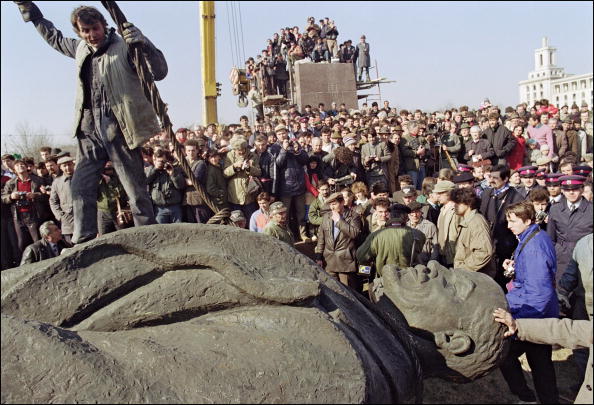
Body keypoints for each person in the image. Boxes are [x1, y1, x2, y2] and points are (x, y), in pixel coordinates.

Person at [14, 2, 168, 244]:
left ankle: (147, 235)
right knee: (80, 186)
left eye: (94, 28)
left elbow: (159, 72)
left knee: (134, 188)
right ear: (79, 32)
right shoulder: (80, 49)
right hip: (88, 127)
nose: (91, 35)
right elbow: (53, 37)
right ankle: (83, 239)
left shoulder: (125, 46)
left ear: (103, 26)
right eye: (85, 31)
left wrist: (145, 44)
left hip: (119, 125)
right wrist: (30, 12)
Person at [499, 201, 559, 404]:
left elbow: (538, 294)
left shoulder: (534, 247)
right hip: (537, 314)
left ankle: (527, 397)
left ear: (527, 220)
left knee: (506, 356)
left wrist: (517, 321)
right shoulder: (532, 236)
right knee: (541, 365)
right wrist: (513, 265)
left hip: (532, 315)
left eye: (512, 221)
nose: (508, 226)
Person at [479, 164, 524, 291]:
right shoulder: (487, 193)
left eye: (495, 178)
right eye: (490, 177)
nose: (491, 180)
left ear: (505, 179)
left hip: (505, 248)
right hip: (487, 246)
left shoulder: (515, 197)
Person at [356, 203, 425, 279]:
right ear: (406, 218)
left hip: (385, 280)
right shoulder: (418, 235)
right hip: (410, 280)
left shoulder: (376, 235)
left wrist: (366, 275)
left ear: (390, 216)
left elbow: (361, 257)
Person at [547, 175, 593, 283]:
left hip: (586, 260)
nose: (571, 192)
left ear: (582, 189)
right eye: (567, 190)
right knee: (562, 295)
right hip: (562, 261)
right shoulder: (555, 209)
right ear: (562, 191)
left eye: (575, 189)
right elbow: (550, 238)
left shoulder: (591, 210)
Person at [2, 159, 48, 262]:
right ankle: (26, 263)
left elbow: (47, 196)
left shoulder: (38, 180)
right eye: (18, 166)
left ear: (27, 167)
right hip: (18, 217)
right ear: (14, 170)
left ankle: (43, 261)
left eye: (22, 165)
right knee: (21, 243)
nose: (20, 166)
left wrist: (35, 195)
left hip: (35, 214)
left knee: (38, 241)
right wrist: (11, 196)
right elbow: (3, 197)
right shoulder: (10, 183)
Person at [314, 192, 362, 289]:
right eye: (330, 204)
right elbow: (321, 238)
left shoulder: (354, 216)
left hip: (345, 263)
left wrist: (339, 221)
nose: (332, 207)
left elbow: (355, 234)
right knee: (334, 292)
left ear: (342, 202)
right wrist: (319, 257)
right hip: (329, 262)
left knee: (349, 293)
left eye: (334, 204)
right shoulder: (326, 217)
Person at [450, 188, 495, 277]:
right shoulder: (468, 221)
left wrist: (462, 269)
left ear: (468, 203)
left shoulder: (477, 222)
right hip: (469, 276)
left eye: (458, 203)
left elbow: (484, 252)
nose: (454, 206)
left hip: (477, 278)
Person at [145, 150, 186, 224]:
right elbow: (145, 181)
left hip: (175, 207)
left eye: (163, 161)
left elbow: (181, 185)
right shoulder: (150, 170)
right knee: (161, 231)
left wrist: (172, 174)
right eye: (159, 161)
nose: (162, 163)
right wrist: (155, 169)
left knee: (178, 230)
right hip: (159, 208)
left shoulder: (174, 169)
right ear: (154, 160)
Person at [406, 201, 438, 265]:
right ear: (408, 214)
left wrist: (431, 264)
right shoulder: (404, 227)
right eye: (412, 212)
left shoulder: (430, 226)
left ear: (421, 212)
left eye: (417, 212)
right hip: (409, 264)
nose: (415, 215)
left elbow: (436, 248)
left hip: (425, 264)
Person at [434, 180, 458, 268]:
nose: (437, 196)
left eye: (440, 193)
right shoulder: (442, 209)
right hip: (442, 254)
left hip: (453, 256)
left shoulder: (457, 210)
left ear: (448, 193)